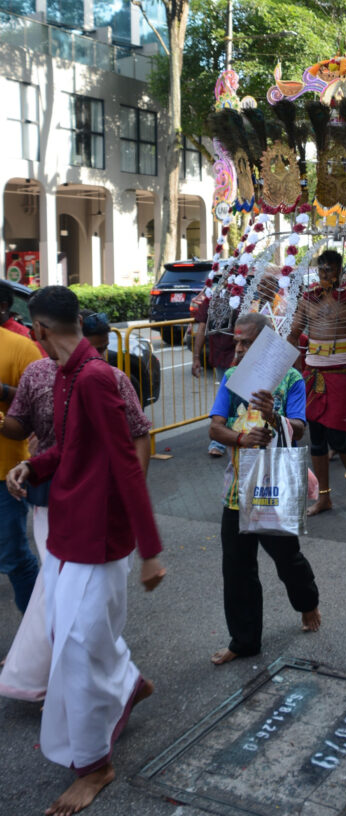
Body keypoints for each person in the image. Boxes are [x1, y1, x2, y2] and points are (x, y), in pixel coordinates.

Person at [5, 286, 164, 816]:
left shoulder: (94, 377)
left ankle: (95, 765)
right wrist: (37, 465)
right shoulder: (69, 374)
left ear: (41, 330)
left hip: (98, 532)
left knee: (74, 642)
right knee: (69, 634)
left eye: (34, 331)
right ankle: (127, 685)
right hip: (70, 525)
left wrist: (150, 550)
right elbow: (70, 448)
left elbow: (124, 460)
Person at [0, 309, 152, 703]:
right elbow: (27, 428)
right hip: (49, 499)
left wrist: (133, 502)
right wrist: (30, 463)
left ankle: (100, 686)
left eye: (104, 349)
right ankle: (90, 679)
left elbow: (136, 439)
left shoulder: (107, 377)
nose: (99, 355)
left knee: (81, 611)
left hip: (98, 507)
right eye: (96, 347)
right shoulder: (38, 374)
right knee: (58, 598)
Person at [207, 312, 320, 665]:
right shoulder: (230, 377)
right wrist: (241, 437)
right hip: (237, 487)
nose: (237, 348)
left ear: (264, 345)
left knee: (288, 560)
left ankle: (307, 603)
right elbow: (215, 428)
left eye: (246, 342)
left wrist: (272, 416)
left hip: (275, 482)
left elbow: (298, 428)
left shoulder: (291, 379)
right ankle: (244, 642)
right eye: (236, 341)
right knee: (236, 568)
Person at [287, 249, 346, 514]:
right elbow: (293, 334)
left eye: (330, 270)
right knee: (316, 439)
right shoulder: (308, 298)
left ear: (340, 272)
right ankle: (324, 497)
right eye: (321, 270)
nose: (325, 275)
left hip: (343, 373)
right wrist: (277, 366)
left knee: (339, 437)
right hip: (314, 374)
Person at [0, 324, 42, 614]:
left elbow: (39, 399)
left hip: (4, 474)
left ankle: (37, 639)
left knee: (13, 557)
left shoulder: (20, 347)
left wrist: (2, 390)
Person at [192, 291, 237, 457]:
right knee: (227, 399)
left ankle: (225, 440)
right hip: (221, 358)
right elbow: (202, 327)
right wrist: (196, 356)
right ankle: (222, 440)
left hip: (240, 359)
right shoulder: (211, 300)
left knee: (235, 399)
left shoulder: (245, 298)